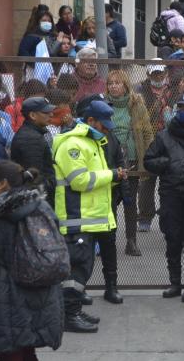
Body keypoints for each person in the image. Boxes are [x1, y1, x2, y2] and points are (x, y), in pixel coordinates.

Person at [52, 100, 122, 332]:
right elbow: (80, 181)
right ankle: (69, 315)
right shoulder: (73, 145)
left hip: (87, 219)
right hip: (76, 218)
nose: (107, 129)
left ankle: (73, 311)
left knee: (82, 269)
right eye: (103, 125)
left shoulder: (90, 142)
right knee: (76, 271)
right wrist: (111, 175)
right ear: (90, 120)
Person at [0, 161, 64, 360]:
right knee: (27, 346)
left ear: (3, 184)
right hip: (38, 290)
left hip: (5, 294)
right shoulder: (41, 206)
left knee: (11, 349)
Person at [143, 93, 184, 302]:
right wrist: (166, 163)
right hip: (170, 193)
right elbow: (149, 160)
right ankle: (175, 282)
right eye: (180, 107)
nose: (183, 111)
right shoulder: (165, 135)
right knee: (172, 238)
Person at [106, 70, 154, 256]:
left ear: (125, 85)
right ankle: (107, 241)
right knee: (109, 202)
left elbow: (148, 132)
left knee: (130, 202)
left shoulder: (136, 104)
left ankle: (131, 242)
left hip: (132, 160)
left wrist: (147, 155)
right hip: (109, 160)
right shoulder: (104, 104)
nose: (114, 86)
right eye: (110, 83)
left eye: (117, 83)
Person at [10, 96, 57, 203]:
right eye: (45, 112)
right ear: (32, 115)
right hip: (36, 200)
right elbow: (34, 177)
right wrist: (48, 187)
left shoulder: (33, 134)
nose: (51, 114)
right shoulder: (30, 138)